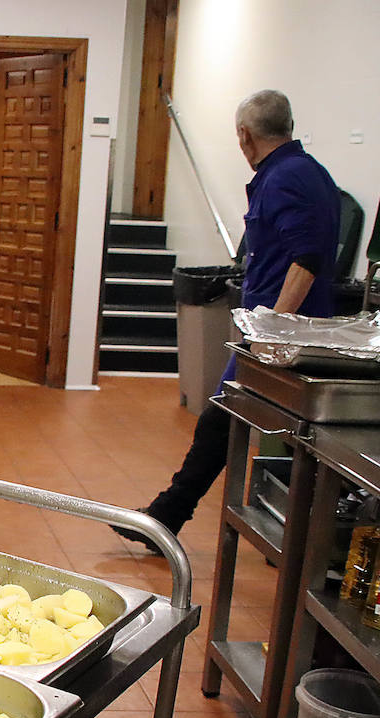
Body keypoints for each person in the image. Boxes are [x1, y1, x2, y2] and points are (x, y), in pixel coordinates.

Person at [117, 89, 340, 551]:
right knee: (222, 424)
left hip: (280, 339)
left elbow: (309, 258)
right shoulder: (307, 172)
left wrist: (272, 330)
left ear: (244, 135)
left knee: (219, 422)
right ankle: (166, 517)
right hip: (282, 333)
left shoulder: (285, 179)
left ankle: (165, 518)